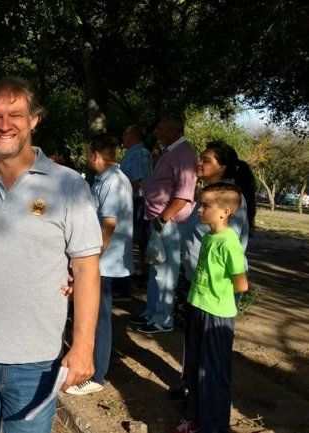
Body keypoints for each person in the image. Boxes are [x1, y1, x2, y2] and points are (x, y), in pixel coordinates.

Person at [0, 77, 101, 433]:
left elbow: (87, 269)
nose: (4, 125)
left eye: (15, 114)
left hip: (35, 361)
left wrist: (83, 346)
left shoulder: (69, 186)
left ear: (34, 119)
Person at [170, 140, 253, 402]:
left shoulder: (228, 202)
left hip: (215, 290)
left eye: (206, 160)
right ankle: (190, 387)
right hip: (198, 285)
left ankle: (208, 403)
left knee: (211, 350)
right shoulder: (210, 196)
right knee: (193, 343)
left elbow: (232, 247)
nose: (200, 163)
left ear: (223, 167)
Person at [67, 134, 133, 396]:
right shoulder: (104, 180)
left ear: (96, 154)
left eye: (87, 153)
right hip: (102, 261)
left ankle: (97, 375)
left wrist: (92, 258)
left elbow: (109, 224)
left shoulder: (114, 183)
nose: (85, 157)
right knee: (96, 316)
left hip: (104, 263)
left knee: (98, 318)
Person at [131, 117, 198, 334]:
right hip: (159, 221)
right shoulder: (169, 151)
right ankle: (152, 313)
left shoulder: (184, 153)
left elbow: (184, 194)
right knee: (156, 267)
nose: (157, 131)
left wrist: (163, 219)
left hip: (169, 222)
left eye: (160, 127)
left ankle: (163, 319)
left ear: (172, 128)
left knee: (167, 271)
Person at [119, 124, 153, 280]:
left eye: (125, 133)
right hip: (132, 200)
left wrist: (117, 194)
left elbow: (138, 182)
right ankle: (141, 275)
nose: (123, 137)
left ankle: (142, 276)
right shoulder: (132, 153)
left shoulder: (140, 153)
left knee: (133, 238)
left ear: (134, 135)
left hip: (136, 201)